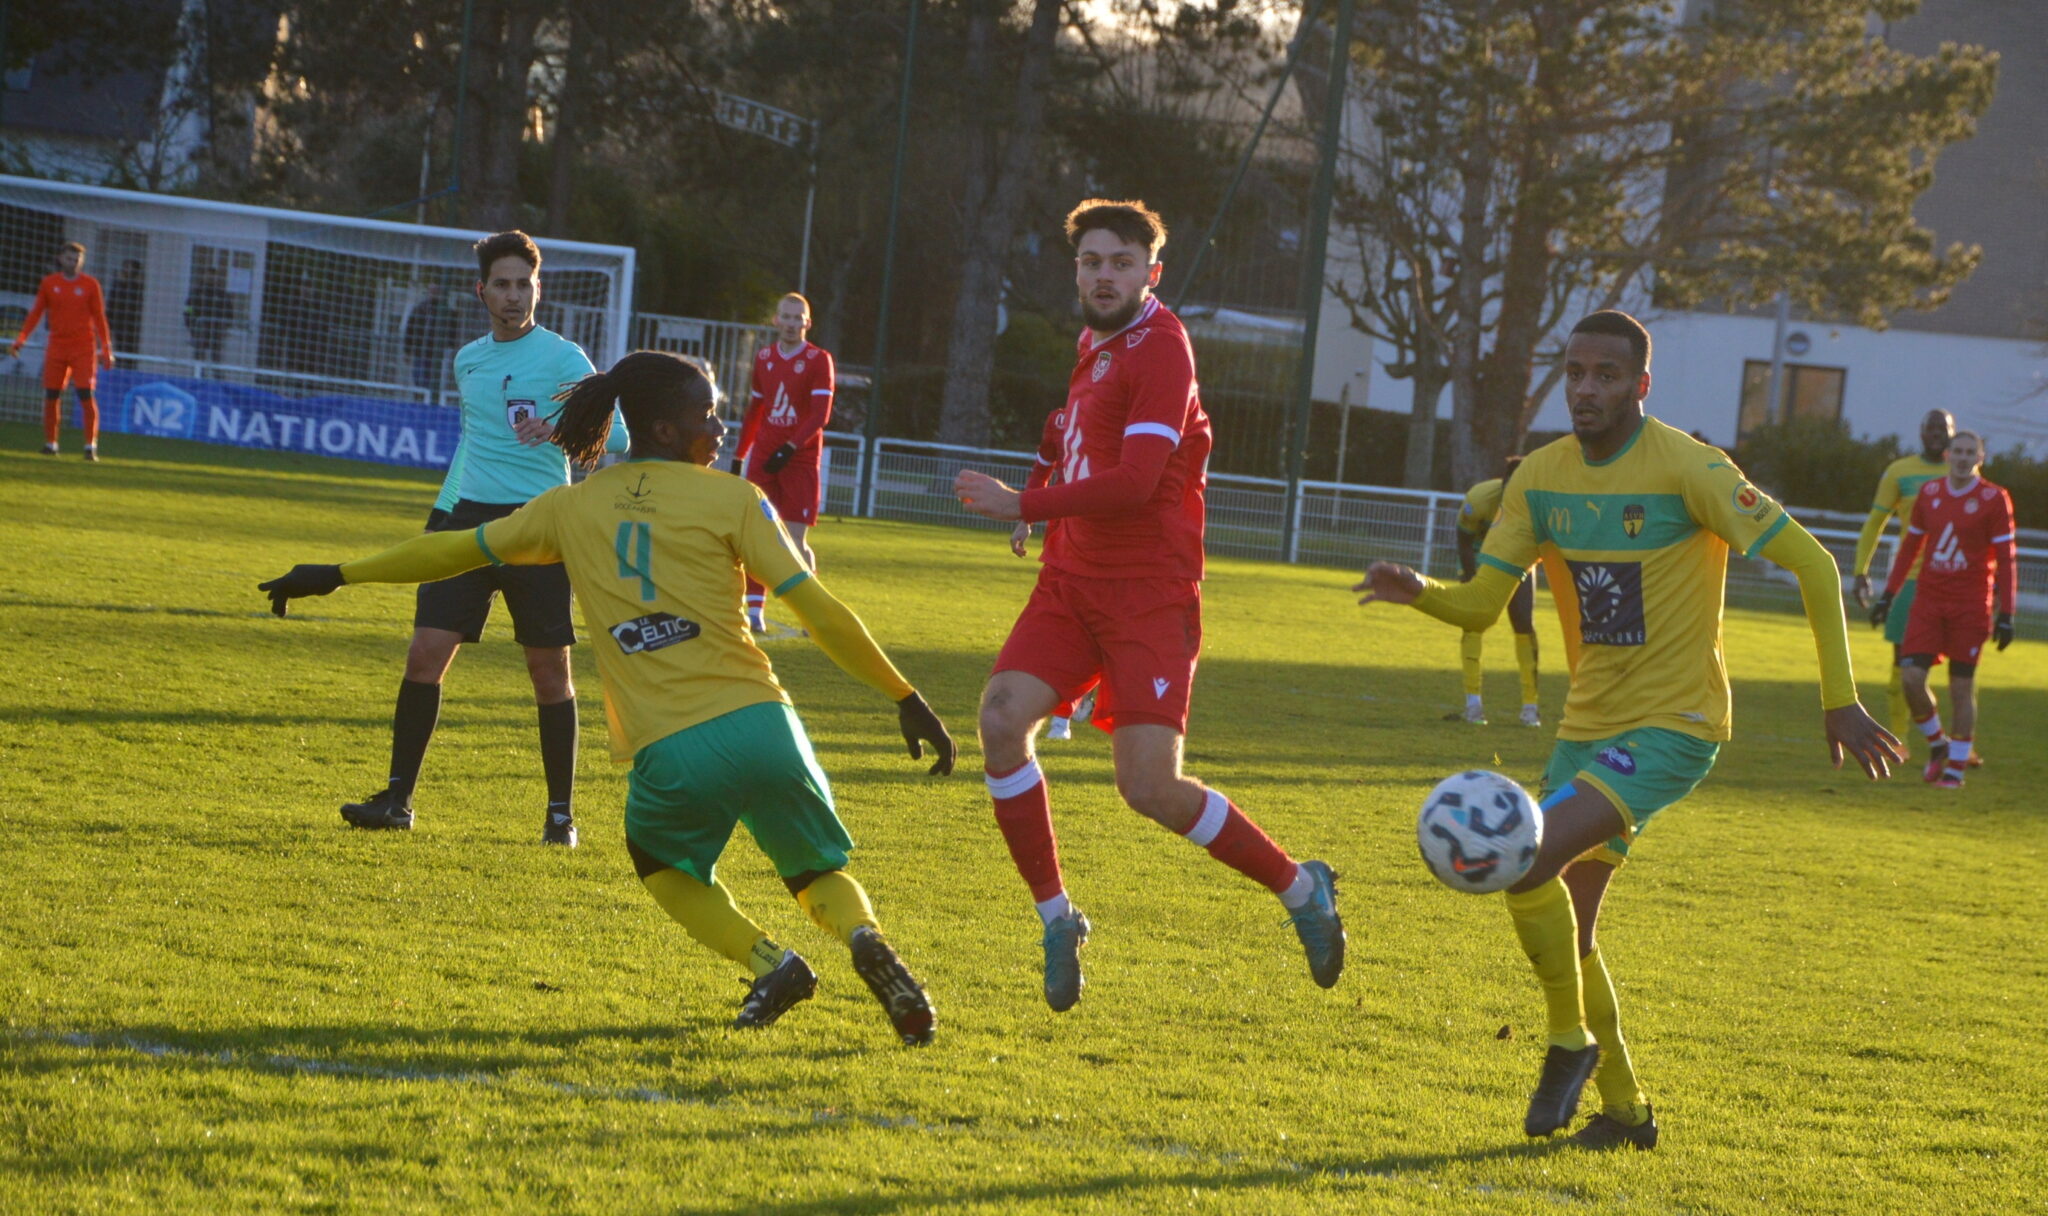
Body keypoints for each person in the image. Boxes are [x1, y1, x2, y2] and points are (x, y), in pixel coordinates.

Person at [258, 351, 956, 1045]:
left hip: (672, 744)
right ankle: (862, 935)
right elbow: (818, 608)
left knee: (661, 865)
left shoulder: (570, 508)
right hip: (764, 723)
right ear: (658, 428)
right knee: (816, 871)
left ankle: (771, 963)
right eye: (705, 414)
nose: (719, 427)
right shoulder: (736, 499)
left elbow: (453, 550)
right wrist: (903, 694)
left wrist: (340, 574)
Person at [1354, 310, 1902, 1150]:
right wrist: (1420, 588)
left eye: (1606, 375)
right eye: (1575, 372)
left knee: (1526, 858)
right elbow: (1480, 605)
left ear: (1641, 385)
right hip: (1585, 731)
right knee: (1569, 920)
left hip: (1675, 727)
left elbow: (1816, 564)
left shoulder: (1690, 469)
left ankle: (1568, 1044)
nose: (1586, 389)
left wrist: (1839, 698)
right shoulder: (1540, 477)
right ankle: (1625, 1113)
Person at [953, 198, 1346, 1013]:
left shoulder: (1163, 349)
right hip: (1071, 582)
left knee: (1150, 789)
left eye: (1121, 263)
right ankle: (1058, 918)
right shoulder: (1094, 342)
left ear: (1151, 273)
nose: (1104, 275)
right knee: (998, 719)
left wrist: (1020, 505)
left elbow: (1134, 485)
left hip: (1149, 595)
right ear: (1077, 270)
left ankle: (1300, 888)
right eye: (1092, 262)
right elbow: (1074, 425)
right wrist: (1042, 481)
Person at [337, 231, 627, 845]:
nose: (514, 294)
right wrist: (441, 517)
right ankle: (397, 800)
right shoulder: (467, 360)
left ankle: (560, 816)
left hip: (541, 525)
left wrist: (560, 427)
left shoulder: (566, 359)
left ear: (538, 288)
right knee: (424, 657)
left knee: (548, 670)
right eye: (502, 283)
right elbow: (471, 443)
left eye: (525, 283)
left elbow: (619, 438)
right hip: (466, 523)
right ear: (482, 291)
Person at [1871, 430, 2017, 789]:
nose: (1964, 457)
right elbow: (1910, 547)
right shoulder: (1930, 493)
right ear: (1949, 455)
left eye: (1972, 452)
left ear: (1981, 457)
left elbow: (2006, 559)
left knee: (1961, 688)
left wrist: (2007, 614)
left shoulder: (1994, 498)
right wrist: (1888, 595)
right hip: (1928, 601)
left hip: (1970, 606)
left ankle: (1954, 772)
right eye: (1959, 451)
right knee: (1910, 679)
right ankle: (1939, 745)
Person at [732, 293, 835, 633]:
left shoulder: (819, 360)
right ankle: (755, 613)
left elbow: (820, 415)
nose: (791, 324)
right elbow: (755, 410)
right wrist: (739, 455)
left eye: (798, 318)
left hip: (800, 459)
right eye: (785, 317)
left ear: (808, 322)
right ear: (775, 320)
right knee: (758, 535)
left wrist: (790, 448)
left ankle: (812, 614)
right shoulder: (763, 358)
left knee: (793, 540)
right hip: (764, 456)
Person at [1851, 409, 1955, 740]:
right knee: (1902, 661)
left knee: (1963, 670)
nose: (1938, 433)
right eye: (1932, 427)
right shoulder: (1900, 472)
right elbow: (1875, 523)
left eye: (1944, 428)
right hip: (1911, 580)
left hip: (1956, 582)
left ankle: (1961, 745)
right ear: (1922, 432)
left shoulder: (1963, 471)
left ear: (1952, 433)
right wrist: (1860, 570)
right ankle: (1899, 740)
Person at [1010, 403, 1096, 742]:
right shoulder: (1058, 421)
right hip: (1061, 534)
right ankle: (1064, 713)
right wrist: (1024, 519)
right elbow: (1041, 471)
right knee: (1064, 622)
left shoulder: (1120, 418)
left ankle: (1075, 704)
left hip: (1101, 536)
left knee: (1091, 623)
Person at [1448, 454, 1541, 727]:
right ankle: (1473, 704)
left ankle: (1531, 707)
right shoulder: (1480, 499)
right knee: (1473, 621)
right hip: (1479, 554)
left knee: (1524, 623)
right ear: (1504, 482)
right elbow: (1464, 540)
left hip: (1517, 555)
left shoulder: (1538, 503)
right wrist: (1471, 579)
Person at [10, 241, 115, 461]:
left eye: (77, 259)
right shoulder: (49, 283)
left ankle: (90, 446)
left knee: (86, 395)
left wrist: (106, 348)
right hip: (57, 346)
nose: (73, 262)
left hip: (83, 347)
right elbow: (35, 314)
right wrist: (20, 339)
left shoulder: (90, 285)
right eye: (69, 258)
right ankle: (51, 444)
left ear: (82, 262)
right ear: (60, 259)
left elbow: (99, 318)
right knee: (51, 395)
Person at [402, 285, 459, 395]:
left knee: (432, 378)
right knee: (418, 377)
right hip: (420, 350)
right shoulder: (419, 309)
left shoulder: (447, 311)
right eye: (431, 291)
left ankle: (429, 400)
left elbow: (453, 331)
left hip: (437, 353)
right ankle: (419, 398)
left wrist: (450, 347)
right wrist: (407, 351)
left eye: (436, 291)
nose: (433, 293)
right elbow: (410, 329)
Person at [184, 267, 233, 364]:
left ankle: (217, 378)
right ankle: (198, 377)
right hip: (200, 331)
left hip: (216, 332)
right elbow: (188, 310)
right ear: (203, 276)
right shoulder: (196, 293)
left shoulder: (221, 294)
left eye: (213, 275)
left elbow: (229, 312)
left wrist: (225, 327)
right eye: (208, 275)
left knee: (216, 359)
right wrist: (191, 326)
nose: (210, 277)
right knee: (199, 359)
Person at [107, 258, 145, 355]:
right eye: (125, 267)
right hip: (119, 321)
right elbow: (111, 303)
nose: (125, 270)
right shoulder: (118, 284)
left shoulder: (138, 287)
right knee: (118, 346)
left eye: (129, 267)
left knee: (130, 348)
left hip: (132, 323)